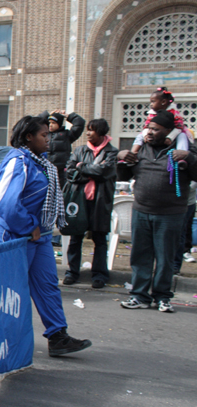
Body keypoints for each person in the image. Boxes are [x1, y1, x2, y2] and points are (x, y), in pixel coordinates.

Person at [0, 116, 91, 356]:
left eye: (49, 135)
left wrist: (38, 229)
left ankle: (58, 336)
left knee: (47, 287)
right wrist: (29, 226)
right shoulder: (18, 162)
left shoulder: (41, 162)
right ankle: (4, 343)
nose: (49, 139)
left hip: (40, 235)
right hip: (16, 235)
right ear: (28, 137)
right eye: (44, 135)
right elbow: (5, 202)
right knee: (11, 291)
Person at [117, 111, 197, 312]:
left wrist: (189, 157)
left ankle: (162, 296)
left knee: (165, 257)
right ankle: (139, 296)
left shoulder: (184, 149)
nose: (150, 132)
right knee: (141, 255)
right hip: (142, 211)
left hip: (171, 214)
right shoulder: (142, 148)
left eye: (155, 129)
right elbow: (123, 174)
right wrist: (121, 157)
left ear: (169, 131)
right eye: (149, 128)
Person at [62, 119, 118, 288]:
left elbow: (105, 171)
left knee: (100, 239)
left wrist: (82, 167)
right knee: (75, 237)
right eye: (87, 130)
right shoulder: (80, 150)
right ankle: (72, 272)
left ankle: (99, 275)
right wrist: (91, 171)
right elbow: (70, 172)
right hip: (79, 200)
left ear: (101, 132)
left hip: (100, 202)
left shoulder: (111, 152)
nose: (88, 133)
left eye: (92, 130)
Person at [129, 87, 191, 155]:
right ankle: (133, 153)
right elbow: (146, 127)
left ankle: (181, 154)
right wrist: (145, 135)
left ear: (163, 102)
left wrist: (170, 137)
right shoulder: (152, 114)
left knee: (182, 136)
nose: (151, 104)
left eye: (153, 101)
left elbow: (179, 127)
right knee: (139, 136)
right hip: (156, 136)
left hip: (173, 133)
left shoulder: (174, 113)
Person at [40, 109, 85, 187]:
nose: (50, 125)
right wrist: (47, 115)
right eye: (49, 122)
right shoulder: (44, 135)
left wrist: (68, 116)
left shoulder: (67, 135)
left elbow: (80, 123)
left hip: (61, 173)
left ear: (59, 124)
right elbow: (34, 123)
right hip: (45, 170)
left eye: (53, 123)